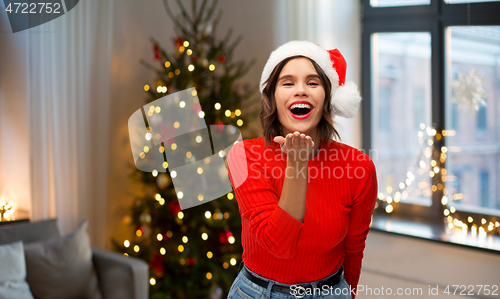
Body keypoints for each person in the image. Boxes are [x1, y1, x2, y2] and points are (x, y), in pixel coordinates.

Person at [226, 40, 378, 299]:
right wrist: (297, 165)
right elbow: (279, 245)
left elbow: (353, 248)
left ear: (328, 97)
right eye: (287, 82)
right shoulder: (244, 156)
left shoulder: (359, 167)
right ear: (272, 97)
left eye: (313, 82)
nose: (301, 91)